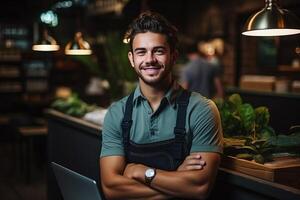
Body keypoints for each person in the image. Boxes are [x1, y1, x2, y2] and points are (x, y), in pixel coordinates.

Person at [100, 11, 223, 200]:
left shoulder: (201, 110)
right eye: (141, 52)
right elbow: (111, 188)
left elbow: (200, 187)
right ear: (132, 59)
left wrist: (141, 171)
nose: (150, 59)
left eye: (158, 51)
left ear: (173, 56)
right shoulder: (117, 113)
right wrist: (178, 181)